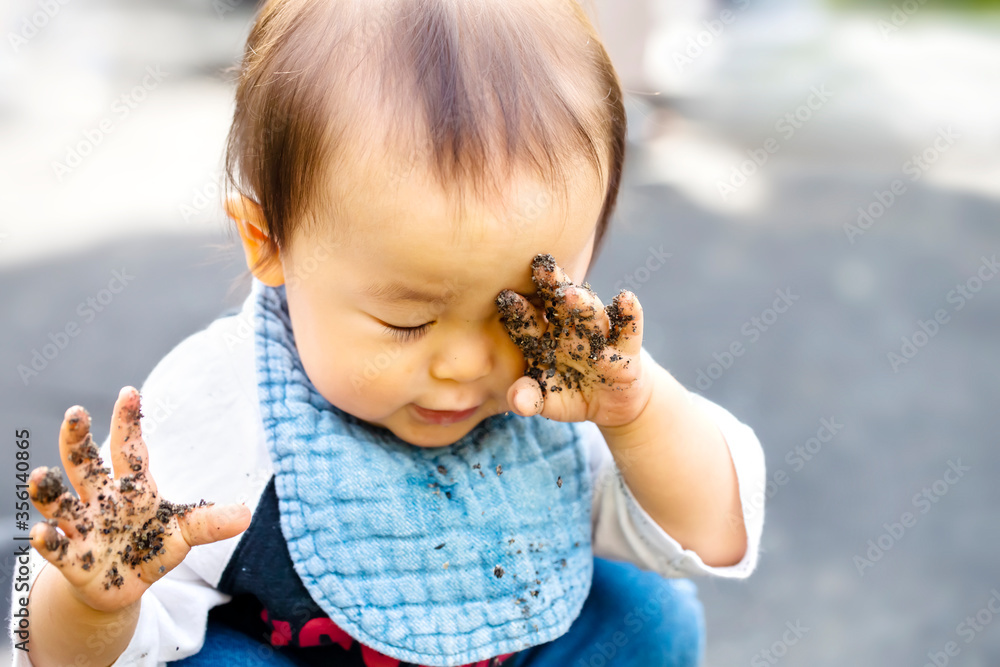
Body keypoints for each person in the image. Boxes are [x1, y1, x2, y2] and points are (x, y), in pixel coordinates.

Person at [10, 0, 766, 665]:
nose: (467, 364)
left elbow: (716, 537)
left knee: (650, 613)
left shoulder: (565, 387)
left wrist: (637, 415)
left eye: (518, 312)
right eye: (407, 320)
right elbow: (53, 656)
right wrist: (94, 602)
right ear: (267, 239)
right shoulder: (219, 407)